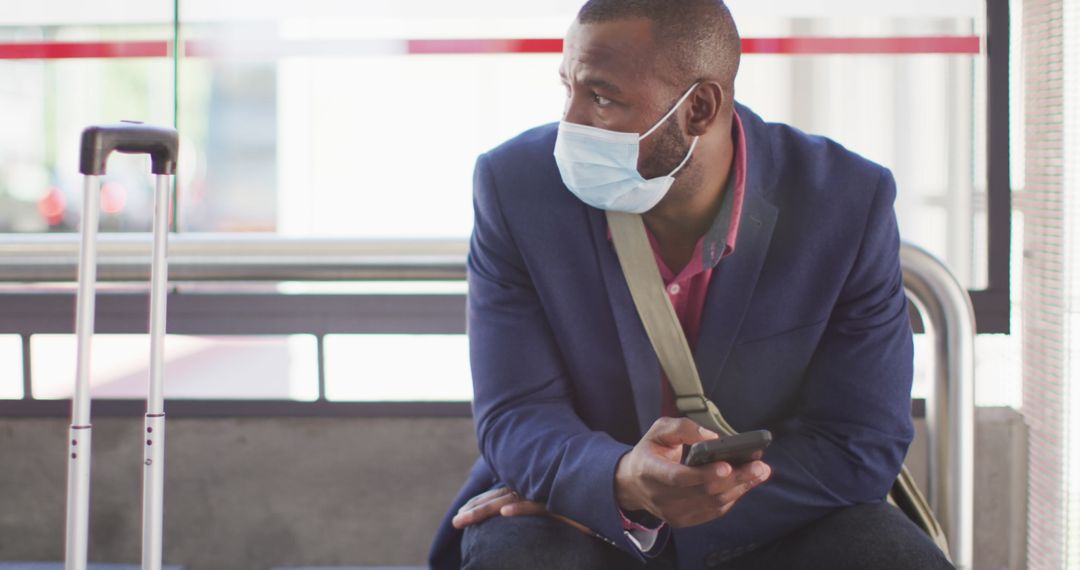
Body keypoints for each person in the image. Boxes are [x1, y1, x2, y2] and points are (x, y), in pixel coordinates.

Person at [429, 1, 954, 568]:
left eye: (601, 98)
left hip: (774, 516)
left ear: (699, 108)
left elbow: (860, 439)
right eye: (568, 89)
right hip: (578, 510)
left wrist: (669, 511)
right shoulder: (516, 185)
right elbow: (517, 413)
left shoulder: (845, 202)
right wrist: (616, 486)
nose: (570, 123)